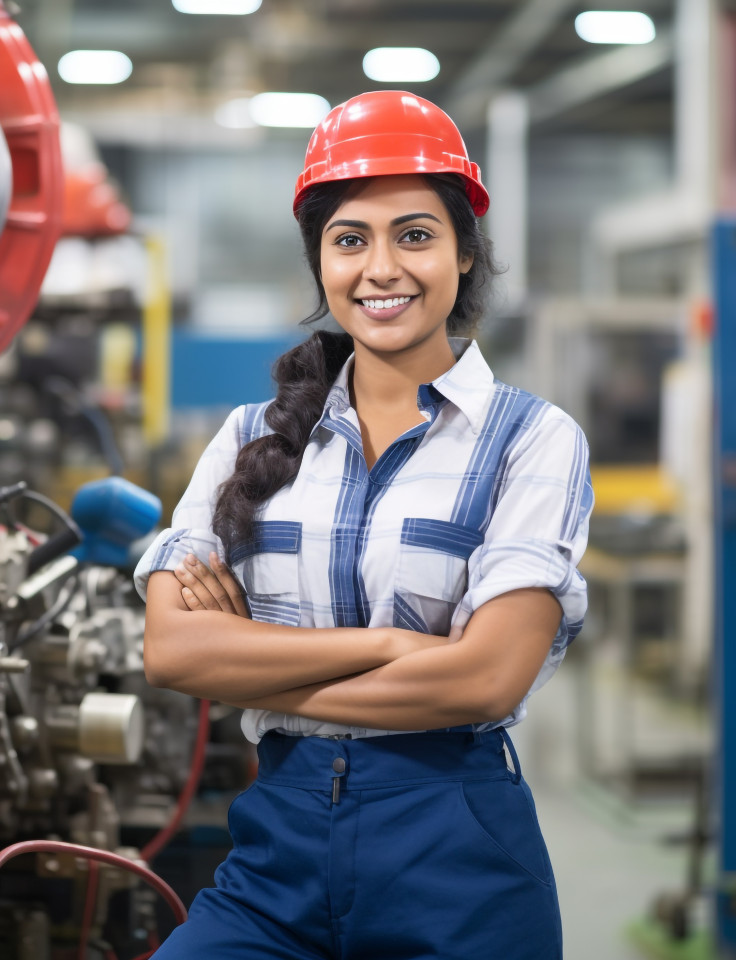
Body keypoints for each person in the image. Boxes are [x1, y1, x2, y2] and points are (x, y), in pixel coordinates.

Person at [134, 90, 593, 960]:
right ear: (322, 263)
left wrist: (251, 667)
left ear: (465, 252)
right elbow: (174, 653)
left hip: (457, 862)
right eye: (351, 240)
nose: (382, 268)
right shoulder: (248, 437)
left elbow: (486, 683)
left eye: (415, 235)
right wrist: (392, 648)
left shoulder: (533, 439)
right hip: (275, 861)